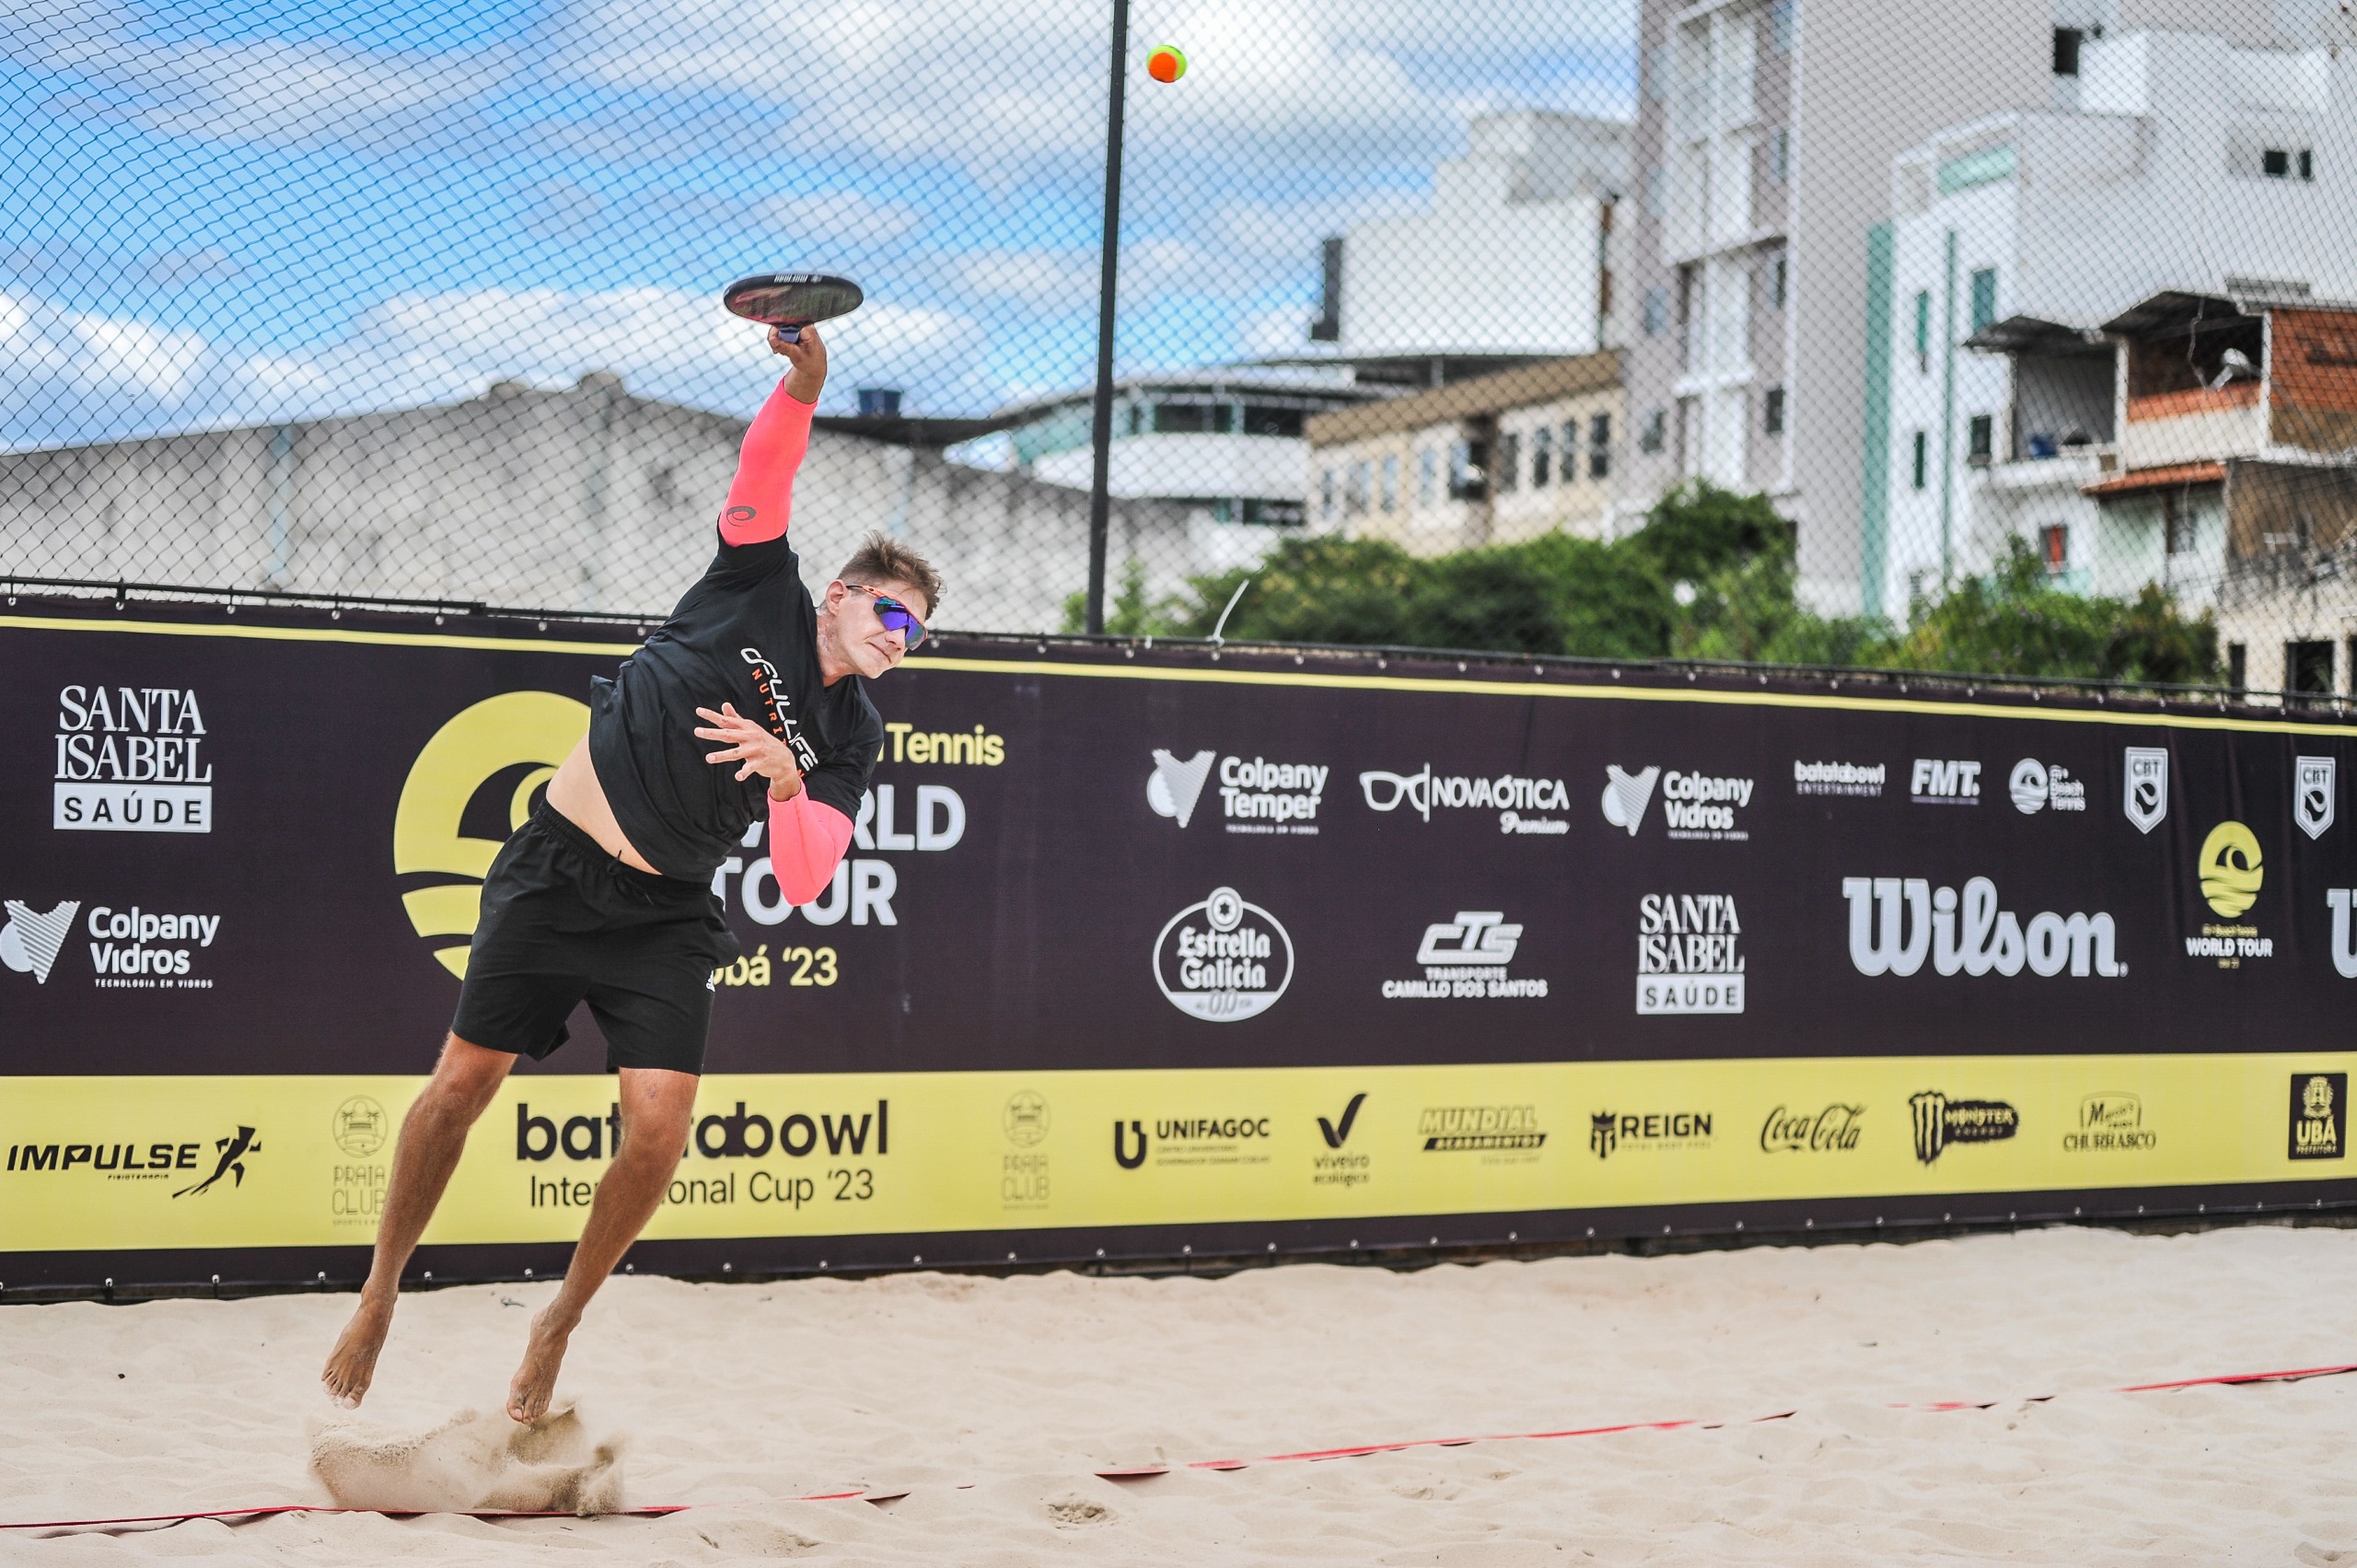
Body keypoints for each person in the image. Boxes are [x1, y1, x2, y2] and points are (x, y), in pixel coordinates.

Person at [320, 322, 943, 1423]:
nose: (902, 635)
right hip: (556, 871)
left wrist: (789, 778)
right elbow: (766, 468)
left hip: (663, 909)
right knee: (459, 1089)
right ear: (842, 592)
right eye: (892, 611)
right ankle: (377, 1291)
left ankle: (557, 1319)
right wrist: (804, 384)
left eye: (921, 631)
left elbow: (807, 876)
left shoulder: (851, 734)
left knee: (659, 1132)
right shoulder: (757, 581)